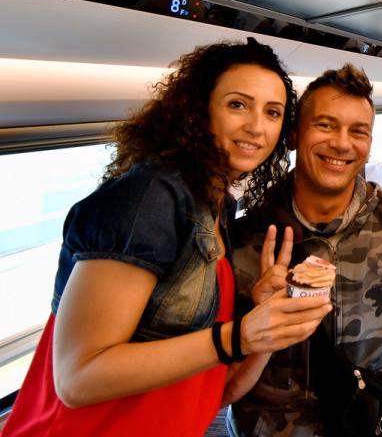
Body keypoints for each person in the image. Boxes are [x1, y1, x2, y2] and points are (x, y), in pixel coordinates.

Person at [2, 39, 332, 437]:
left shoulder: (218, 208)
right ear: (200, 109)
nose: (256, 126)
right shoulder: (150, 197)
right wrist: (238, 335)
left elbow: (221, 389)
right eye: (237, 104)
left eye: (272, 112)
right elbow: (76, 379)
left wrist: (264, 330)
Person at [228, 64, 382, 437]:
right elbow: (219, 384)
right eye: (325, 125)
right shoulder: (243, 238)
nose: (342, 143)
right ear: (293, 134)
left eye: (358, 131)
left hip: (373, 421)